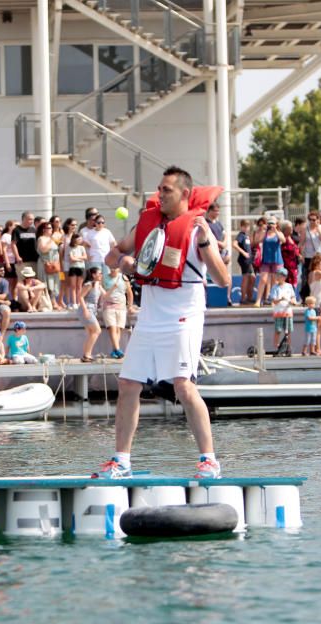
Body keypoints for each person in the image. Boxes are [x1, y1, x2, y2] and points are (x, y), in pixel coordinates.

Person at [97, 166, 230, 479]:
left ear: (184, 194)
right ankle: (121, 461)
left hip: (183, 315)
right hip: (150, 315)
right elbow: (111, 257)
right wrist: (124, 262)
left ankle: (209, 460)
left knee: (183, 385)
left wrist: (207, 242)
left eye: (166, 189)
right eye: (159, 188)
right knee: (128, 384)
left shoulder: (197, 230)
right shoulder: (148, 224)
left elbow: (223, 279)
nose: (160, 194)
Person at [253, 216, 283, 307]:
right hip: (266, 260)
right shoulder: (265, 233)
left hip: (276, 260)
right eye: (269, 223)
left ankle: (274, 300)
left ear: (276, 224)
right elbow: (257, 241)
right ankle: (258, 301)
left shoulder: (278, 233)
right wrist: (265, 231)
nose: (270, 225)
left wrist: (276, 231)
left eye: (272, 223)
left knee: (275, 280)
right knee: (263, 279)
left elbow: (283, 240)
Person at [78, 266, 103, 362]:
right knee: (97, 331)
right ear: (93, 275)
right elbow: (80, 297)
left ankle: (86, 355)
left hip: (92, 310)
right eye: (99, 273)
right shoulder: (89, 284)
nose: (101, 275)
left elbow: (105, 295)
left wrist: (115, 287)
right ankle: (87, 354)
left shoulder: (98, 284)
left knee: (90, 333)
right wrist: (85, 310)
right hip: (87, 309)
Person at [36, 221, 62, 309]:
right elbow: (43, 250)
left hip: (54, 264)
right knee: (47, 283)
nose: (51, 230)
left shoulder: (53, 239)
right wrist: (51, 240)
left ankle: (54, 301)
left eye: (51, 228)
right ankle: (50, 302)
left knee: (55, 283)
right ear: (44, 230)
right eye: (49, 228)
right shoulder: (41, 238)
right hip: (45, 264)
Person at [270, 267, 297, 350]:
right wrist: (280, 299)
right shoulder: (275, 287)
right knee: (278, 330)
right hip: (279, 312)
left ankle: (288, 347)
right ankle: (276, 347)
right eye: (277, 275)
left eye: (280, 276)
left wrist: (293, 301)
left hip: (288, 312)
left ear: (284, 277)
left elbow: (293, 297)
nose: (278, 277)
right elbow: (274, 300)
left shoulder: (289, 286)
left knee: (288, 331)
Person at [10, 211, 39, 278]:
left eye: (32, 219)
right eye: (30, 219)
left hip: (34, 260)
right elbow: (13, 244)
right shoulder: (17, 230)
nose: (32, 221)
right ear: (24, 219)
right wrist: (17, 257)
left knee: (33, 280)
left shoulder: (34, 230)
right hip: (22, 261)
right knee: (23, 280)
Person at [233, 220, 255, 304]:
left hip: (249, 260)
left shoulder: (246, 236)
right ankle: (243, 298)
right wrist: (243, 253)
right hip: (244, 260)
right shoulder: (241, 235)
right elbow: (234, 244)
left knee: (252, 278)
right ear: (241, 227)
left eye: (247, 226)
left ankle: (249, 297)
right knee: (246, 277)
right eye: (244, 226)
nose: (246, 228)